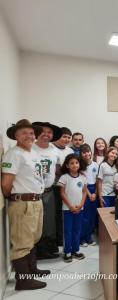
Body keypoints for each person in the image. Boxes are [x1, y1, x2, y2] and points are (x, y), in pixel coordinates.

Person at [1, 119, 50, 290]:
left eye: (31, 133)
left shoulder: (32, 153)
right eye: (24, 133)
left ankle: (32, 269)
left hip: (36, 201)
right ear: (16, 135)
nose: (29, 136)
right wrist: (17, 199)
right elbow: (6, 184)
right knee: (22, 241)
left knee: (33, 238)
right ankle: (23, 280)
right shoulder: (14, 154)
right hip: (23, 203)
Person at [32, 121, 62, 259]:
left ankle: (47, 248)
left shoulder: (54, 150)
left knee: (49, 221)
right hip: (33, 193)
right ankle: (37, 251)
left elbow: (57, 169)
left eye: (49, 132)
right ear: (37, 133)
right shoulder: (30, 148)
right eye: (43, 131)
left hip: (49, 191)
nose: (46, 134)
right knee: (36, 222)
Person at [58, 154, 87, 263]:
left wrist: (81, 205)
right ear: (67, 165)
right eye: (72, 163)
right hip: (67, 209)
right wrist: (70, 206)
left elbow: (84, 192)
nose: (74, 165)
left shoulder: (83, 177)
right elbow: (62, 193)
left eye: (76, 163)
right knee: (68, 231)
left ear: (79, 164)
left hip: (80, 208)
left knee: (77, 230)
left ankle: (76, 250)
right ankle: (67, 252)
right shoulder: (64, 177)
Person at [52, 127, 74, 247]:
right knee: (56, 214)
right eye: (64, 136)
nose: (66, 139)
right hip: (54, 187)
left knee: (67, 212)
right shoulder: (50, 148)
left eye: (68, 137)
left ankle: (64, 238)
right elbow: (57, 170)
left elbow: (73, 167)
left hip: (69, 186)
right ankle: (57, 239)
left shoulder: (70, 151)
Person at [79, 144, 98, 246]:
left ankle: (89, 237)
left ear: (91, 152)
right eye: (84, 152)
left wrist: (95, 193)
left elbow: (98, 181)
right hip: (84, 190)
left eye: (88, 151)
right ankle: (82, 238)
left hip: (94, 190)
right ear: (81, 154)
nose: (86, 154)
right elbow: (82, 182)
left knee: (92, 216)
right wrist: (89, 194)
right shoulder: (80, 166)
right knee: (84, 216)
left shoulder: (96, 164)